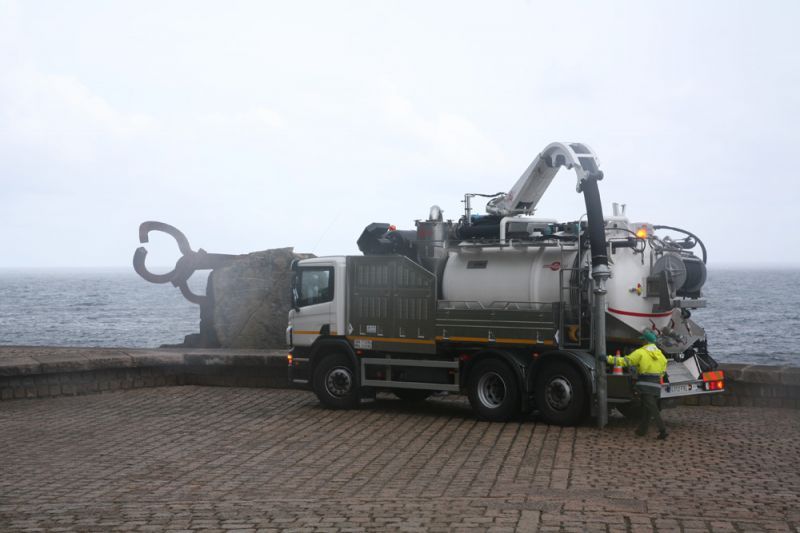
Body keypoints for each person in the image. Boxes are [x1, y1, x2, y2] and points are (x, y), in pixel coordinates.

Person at [608, 329, 669, 439]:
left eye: (643, 340)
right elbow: (664, 368)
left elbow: (625, 361)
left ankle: (663, 430)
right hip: (656, 384)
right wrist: (659, 376)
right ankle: (642, 430)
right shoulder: (660, 354)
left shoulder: (640, 352)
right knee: (647, 408)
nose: (641, 342)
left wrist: (608, 359)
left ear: (645, 341)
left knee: (652, 407)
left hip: (645, 384)